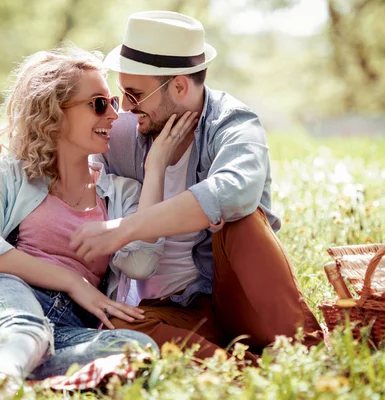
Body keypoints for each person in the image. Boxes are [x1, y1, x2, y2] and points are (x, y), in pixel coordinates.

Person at [0, 45, 199, 383]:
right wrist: (73, 282)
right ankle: (0, 381)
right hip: (0, 298)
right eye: (99, 104)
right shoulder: (10, 173)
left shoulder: (119, 194)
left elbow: (140, 262)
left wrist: (155, 167)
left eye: (113, 103)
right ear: (55, 112)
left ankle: (3, 371)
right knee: (22, 329)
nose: (114, 116)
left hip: (65, 327)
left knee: (138, 351)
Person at [70, 11, 323, 359]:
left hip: (238, 299)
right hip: (177, 310)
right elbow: (75, 169)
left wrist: (125, 229)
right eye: (121, 92)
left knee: (243, 219)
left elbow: (236, 192)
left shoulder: (233, 123)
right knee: (116, 330)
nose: (124, 106)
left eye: (135, 94)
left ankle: (307, 352)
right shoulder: (126, 131)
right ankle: (246, 372)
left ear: (178, 85)